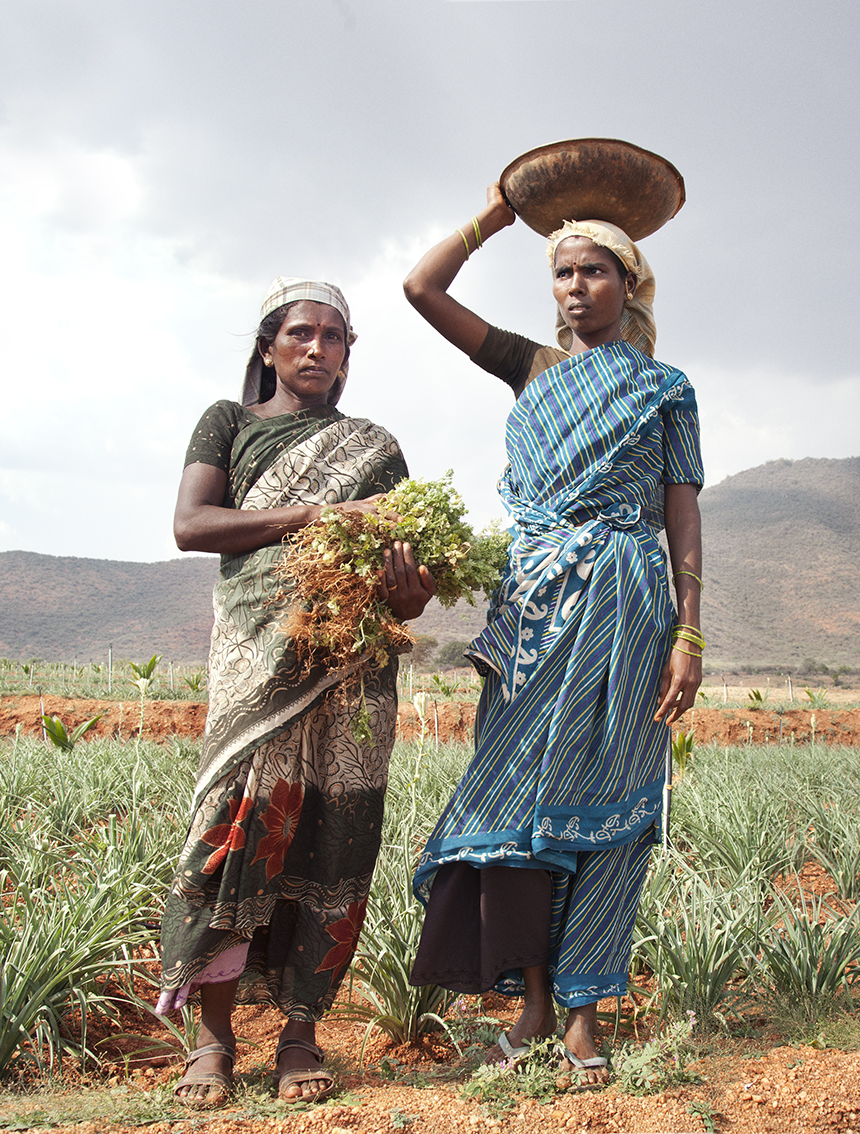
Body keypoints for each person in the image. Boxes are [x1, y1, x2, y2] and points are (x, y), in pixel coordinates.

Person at [403, 187, 704, 1086]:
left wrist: (691, 632)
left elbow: (682, 514)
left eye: (595, 271)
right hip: (531, 611)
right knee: (515, 803)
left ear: (630, 283)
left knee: (609, 810)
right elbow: (421, 290)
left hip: (624, 605)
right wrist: (496, 215)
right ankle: (533, 1001)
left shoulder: (665, 390)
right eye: (563, 273)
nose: (576, 287)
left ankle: (581, 1014)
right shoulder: (531, 369)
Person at [157, 277, 436, 1108]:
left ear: (350, 353)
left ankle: (301, 1033)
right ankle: (212, 1038)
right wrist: (320, 518)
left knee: (333, 840)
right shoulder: (230, 424)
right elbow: (192, 526)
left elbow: (411, 591)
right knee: (236, 830)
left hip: (351, 675)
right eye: (301, 333)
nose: (317, 348)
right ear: (268, 346)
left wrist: (408, 588)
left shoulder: (377, 449)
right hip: (253, 662)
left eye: (335, 337)